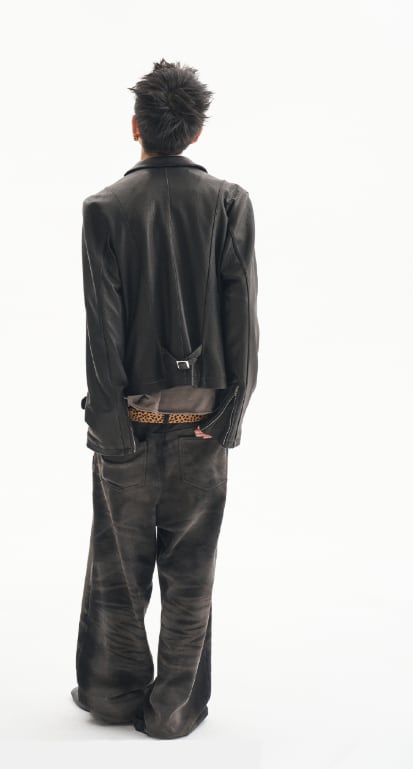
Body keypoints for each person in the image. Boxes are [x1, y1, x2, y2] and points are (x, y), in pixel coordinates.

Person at [71, 58, 259, 739]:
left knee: (118, 576)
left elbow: (103, 332)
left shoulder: (104, 208)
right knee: (191, 575)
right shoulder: (229, 201)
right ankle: (173, 711)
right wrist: (230, 415)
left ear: (136, 127)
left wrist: (112, 433)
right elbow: (243, 320)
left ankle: (113, 695)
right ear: (196, 131)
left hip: (131, 423)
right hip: (203, 423)